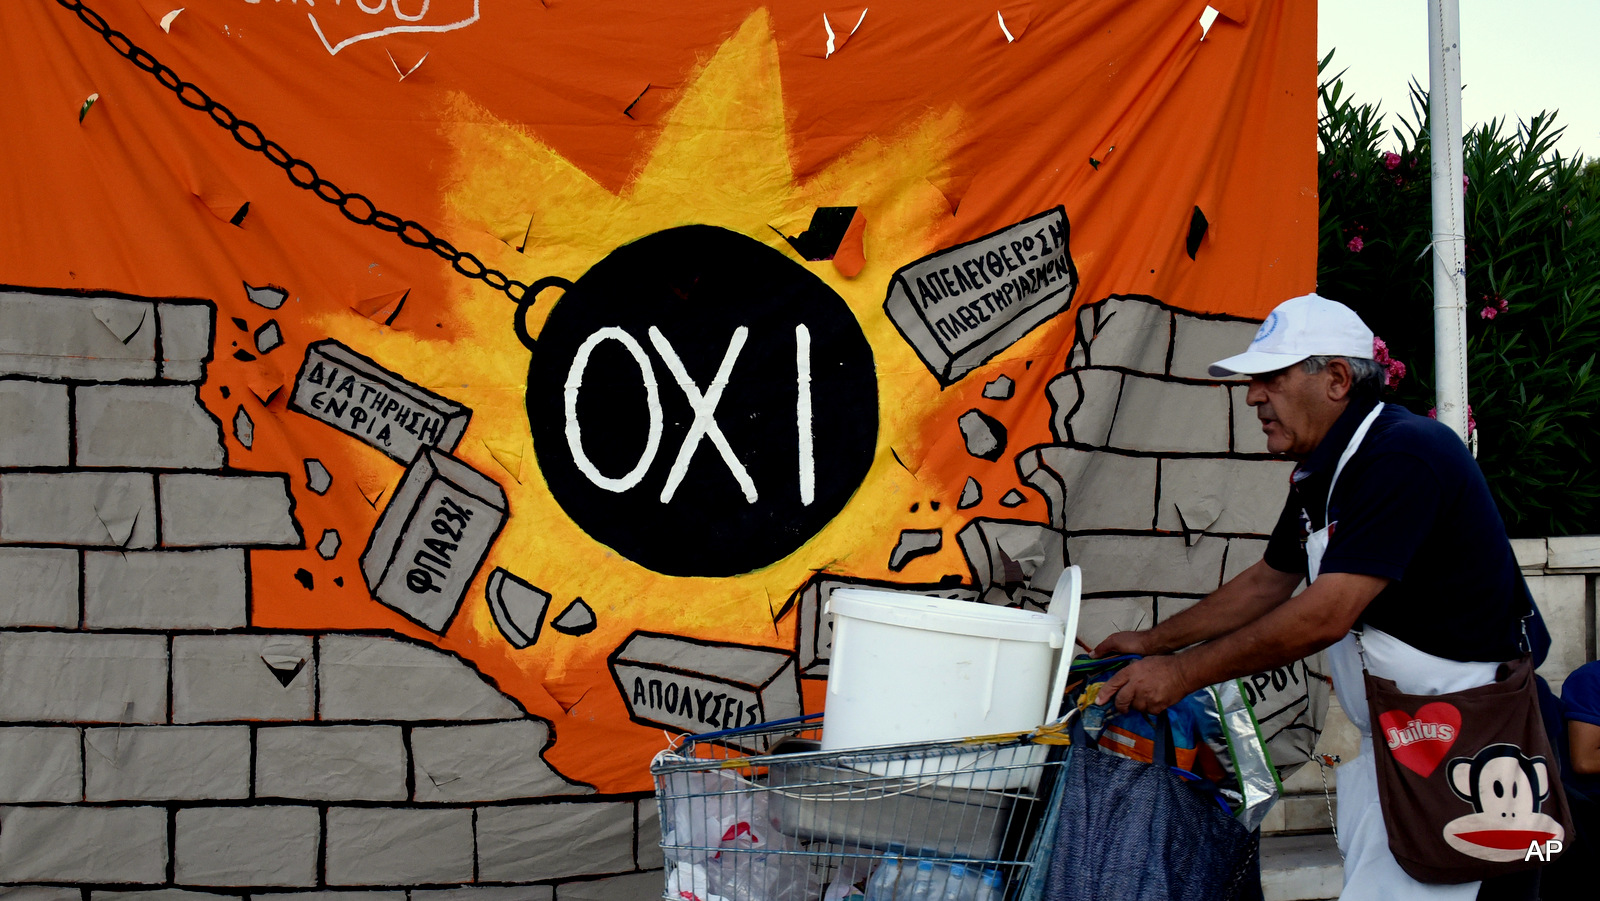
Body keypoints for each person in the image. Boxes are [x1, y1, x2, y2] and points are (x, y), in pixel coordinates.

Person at [1093, 293, 1535, 901]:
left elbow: (1326, 614)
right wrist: (1152, 640)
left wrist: (1181, 673)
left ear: (1334, 378)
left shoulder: (1404, 453)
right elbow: (1269, 581)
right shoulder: (1324, 471)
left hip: (1458, 742)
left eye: (1269, 379)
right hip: (1394, 737)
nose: (1252, 398)